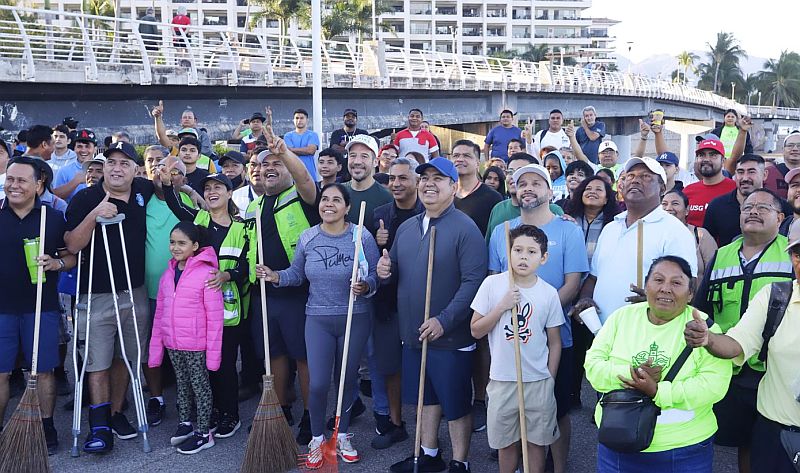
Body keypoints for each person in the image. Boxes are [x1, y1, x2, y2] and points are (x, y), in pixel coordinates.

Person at [257, 183, 379, 467]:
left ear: (347, 208)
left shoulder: (361, 236)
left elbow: (375, 275)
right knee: (319, 383)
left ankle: (343, 434)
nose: (329, 204)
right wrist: (275, 276)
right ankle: (316, 439)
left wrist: (367, 285)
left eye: (337, 200)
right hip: (317, 318)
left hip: (354, 316)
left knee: (347, 381)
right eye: (325, 199)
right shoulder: (308, 237)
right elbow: (297, 274)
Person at [378, 157, 486, 473]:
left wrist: (445, 319)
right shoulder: (409, 227)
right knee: (426, 398)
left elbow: (473, 283)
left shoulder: (466, 228)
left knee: (454, 404)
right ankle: (428, 454)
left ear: (454, 187)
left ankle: (459, 461)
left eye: (439, 178)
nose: (429, 183)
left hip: (450, 335)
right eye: (424, 177)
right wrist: (385, 271)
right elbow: (395, 271)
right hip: (414, 332)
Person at [585, 256, 732, 472]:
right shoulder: (621, 318)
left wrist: (658, 391)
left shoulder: (703, 327)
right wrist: (633, 374)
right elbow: (593, 366)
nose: (665, 289)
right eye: (658, 280)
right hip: (618, 439)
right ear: (646, 286)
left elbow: (713, 386)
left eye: (676, 283)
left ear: (691, 293)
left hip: (684, 449)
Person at [487, 163, 589, 473]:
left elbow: (573, 283)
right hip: (511, 340)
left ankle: (557, 468)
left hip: (556, 336)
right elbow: (495, 279)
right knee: (514, 410)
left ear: (549, 190)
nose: (528, 187)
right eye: (522, 183)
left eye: (536, 182)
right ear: (515, 192)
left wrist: (540, 314)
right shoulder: (500, 232)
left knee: (555, 409)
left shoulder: (567, 229)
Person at [684, 219, 800, 473]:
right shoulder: (776, 296)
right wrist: (709, 339)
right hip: (777, 433)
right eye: (798, 253)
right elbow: (737, 344)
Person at [64, 141, 154, 454]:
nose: (116, 169)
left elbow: (170, 173)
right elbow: (73, 245)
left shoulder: (144, 191)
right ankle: (99, 426)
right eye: (111, 162)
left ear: (135, 170)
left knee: (127, 356)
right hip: (96, 294)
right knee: (97, 361)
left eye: (124, 163)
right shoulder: (85, 198)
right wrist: (94, 215)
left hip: (134, 290)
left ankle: (116, 413)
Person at [160, 167, 250, 439]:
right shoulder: (197, 218)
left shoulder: (242, 228)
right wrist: (167, 184)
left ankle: (229, 414)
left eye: (217, 187)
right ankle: (207, 412)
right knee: (202, 365)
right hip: (197, 310)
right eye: (208, 188)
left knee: (223, 365)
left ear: (229, 193)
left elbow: (248, 264)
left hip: (229, 310)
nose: (211, 192)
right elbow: (175, 204)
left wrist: (227, 275)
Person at [470, 225, 563, 473]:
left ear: (543, 258)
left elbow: (555, 341)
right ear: (507, 252)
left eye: (532, 252)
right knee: (506, 443)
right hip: (502, 379)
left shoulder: (549, 293)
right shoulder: (492, 284)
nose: (523, 257)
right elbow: (476, 330)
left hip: (537, 381)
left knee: (536, 442)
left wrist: (549, 378)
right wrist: (501, 306)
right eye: (518, 250)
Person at [0, 156, 77, 455]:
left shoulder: (52, 218)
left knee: (43, 371)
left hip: (40, 307)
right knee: (1, 372)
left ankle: (46, 426)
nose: (14, 185)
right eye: (10, 179)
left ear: (38, 184)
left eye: (21, 180)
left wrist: (56, 263)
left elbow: (70, 256)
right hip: (2, 308)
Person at [244, 134, 318, 443]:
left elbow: (303, 176)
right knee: (272, 354)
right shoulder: (253, 207)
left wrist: (284, 152)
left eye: (277, 164)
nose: (270, 168)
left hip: (298, 293)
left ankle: (310, 416)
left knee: (303, 357)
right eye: (265, 165)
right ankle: (282, 408)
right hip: (264, 295)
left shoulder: (302, 196)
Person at [573, 157, 698, 326]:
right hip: (602, 334)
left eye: (646, 176)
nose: (635, 180)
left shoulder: (675, 231)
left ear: (662, 188)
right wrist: (585, 300)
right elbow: (594, 278)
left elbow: (689, 286)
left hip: (647, 333)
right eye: (630, 176)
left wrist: (658, 300)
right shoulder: (610, 228)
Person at [149, 222, 223, 454]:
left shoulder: (207, 274)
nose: (175, 247)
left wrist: (213, 354)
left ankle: (204, 432)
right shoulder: (167, 274)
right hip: (174, 343)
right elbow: (160, 312)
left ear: (195, 245)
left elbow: (215, 318)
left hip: (195, 343)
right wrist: (157, 346)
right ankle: (185, 424)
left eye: (182, 243)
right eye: (172, 242)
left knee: (200, 386)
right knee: (182, 384)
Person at [371, 157, 424, 449]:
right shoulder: (379, 214)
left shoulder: (428, 212)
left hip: (419, 302)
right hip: (387, 302)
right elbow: (369, 258)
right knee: (389, 365)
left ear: (416, 181)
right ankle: (395, 423)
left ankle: (425, 430)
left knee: (422, 367)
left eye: (403, 178)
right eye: (392, 178)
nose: (396, 184)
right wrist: (380, 242)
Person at [704, 154, 790, 246]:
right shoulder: (717, 206)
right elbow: (706, 243)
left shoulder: (782, 206)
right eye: (740, 172)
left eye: (751, 172)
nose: (745, 178)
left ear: (764, 175)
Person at [485, 153, 565, 244]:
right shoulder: (498, 209)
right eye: (510, 172)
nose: (513, 177)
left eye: (520, 171)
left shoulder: (553, 210)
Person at [660, 189, 717, 287]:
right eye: (664, 204)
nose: (669, 208)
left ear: (687, 210)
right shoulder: (653, 234)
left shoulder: (700, 235)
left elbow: (715, 271)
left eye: (675, 203)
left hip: (695, 299)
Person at [452, 139, 503, 237]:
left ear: (477, 163)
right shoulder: (445, 194)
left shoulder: (493, 198)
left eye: (466, 156)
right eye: (456, 156)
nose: (460, 159)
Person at [343, 134, 393, 236]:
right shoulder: (338, 192)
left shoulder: (387, 199)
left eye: (364, 156)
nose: (357, 161)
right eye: (352, 155)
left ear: (375, 162)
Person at [683, 138, 736, 227]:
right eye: (702, 155)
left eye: (713, 155)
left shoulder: (735, 189)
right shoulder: (687, 191)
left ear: (723, 161)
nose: (706, 159)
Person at [54, 129, 97, 202]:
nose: (83, 150)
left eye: (87, 146)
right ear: (74, 149)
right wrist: (76, 181)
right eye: (79, 146)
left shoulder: (104, 169)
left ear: (95, 149)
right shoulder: (64, 171)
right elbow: (55, 197)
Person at [283, 108, 321, 180]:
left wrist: (291, 149)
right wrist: (304, 150)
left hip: (310, 175)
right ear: (293, 120)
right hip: (292, 176)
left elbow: (311, 151)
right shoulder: (288, 136)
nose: (299, 120)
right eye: (297, 118)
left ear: (307, 120)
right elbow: (288, 153)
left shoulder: (313, 135)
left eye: (302, 118)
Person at [232, 150, 265, 217]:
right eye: (253, 165)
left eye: (262, 165)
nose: (256, 169)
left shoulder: (281, 196)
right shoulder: (234, 197)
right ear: (247, 169)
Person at [770, 130, 800, 199]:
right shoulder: (768, 173)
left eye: (799, 146)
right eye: (790, 145)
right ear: (783, 149)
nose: (795, 149)